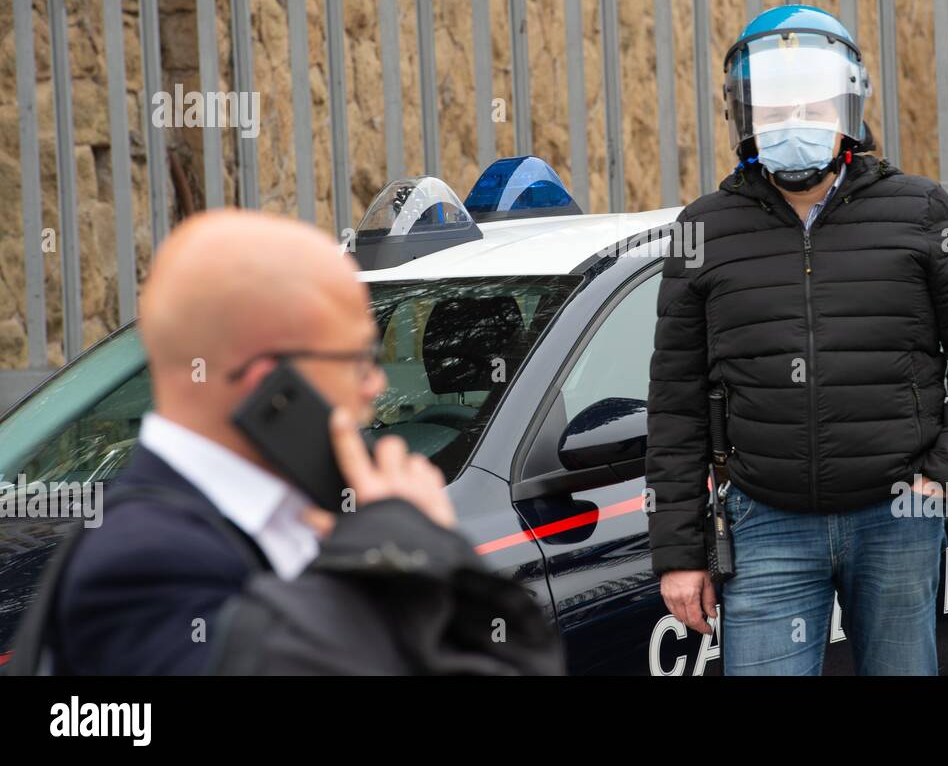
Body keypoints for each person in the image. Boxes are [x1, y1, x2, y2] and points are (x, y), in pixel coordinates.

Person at [7, 209, 560, 675]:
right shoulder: (144, 559)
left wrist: (427, 544)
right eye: (358, 360)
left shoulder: (308, 518)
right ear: (271, 383)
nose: (376, 386)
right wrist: (406, 545)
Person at [646, 4, 948, 675]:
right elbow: (675, 403)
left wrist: (943, 477)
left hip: (897, 519)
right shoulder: (703, 229)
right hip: (765, 522)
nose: (794, 123)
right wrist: (678, 552)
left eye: (812, 106)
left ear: (847, 107)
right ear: (746, 116)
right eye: (776, 109)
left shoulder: (920, 211)